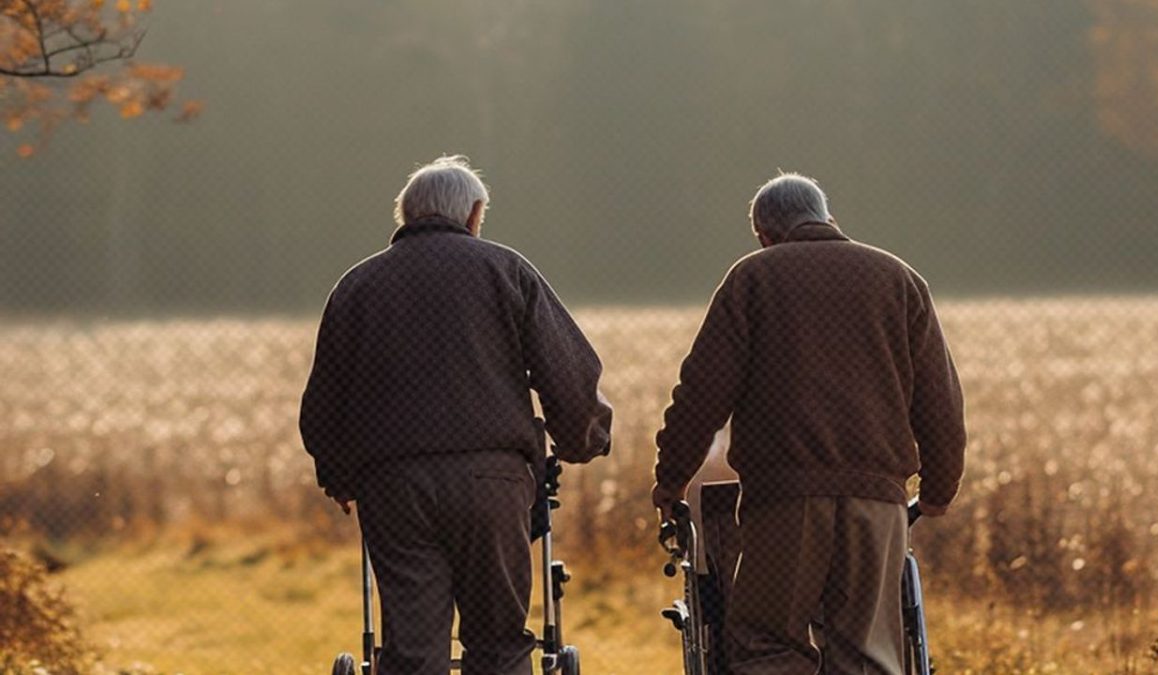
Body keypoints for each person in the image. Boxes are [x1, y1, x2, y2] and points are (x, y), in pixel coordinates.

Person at [300, 155, 612, 675]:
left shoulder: (357, 287)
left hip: (394, 485)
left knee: (413, 648)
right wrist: (583, 439)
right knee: (498, 643)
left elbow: (324, 402)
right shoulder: (506, 270)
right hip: (492, 480)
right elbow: (568, 370)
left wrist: (338, 477)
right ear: (471, 215)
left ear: (407, 216)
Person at [652, 173, 966, 674]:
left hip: (784, 502)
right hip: (877, 503)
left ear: (765, 235)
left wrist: (671, 480)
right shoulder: (900, 280)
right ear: (828, 217)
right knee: (868, 654)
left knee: (766, 644)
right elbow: (940, 400)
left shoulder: (753, 278)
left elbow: (702, 393)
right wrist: (937, 491)